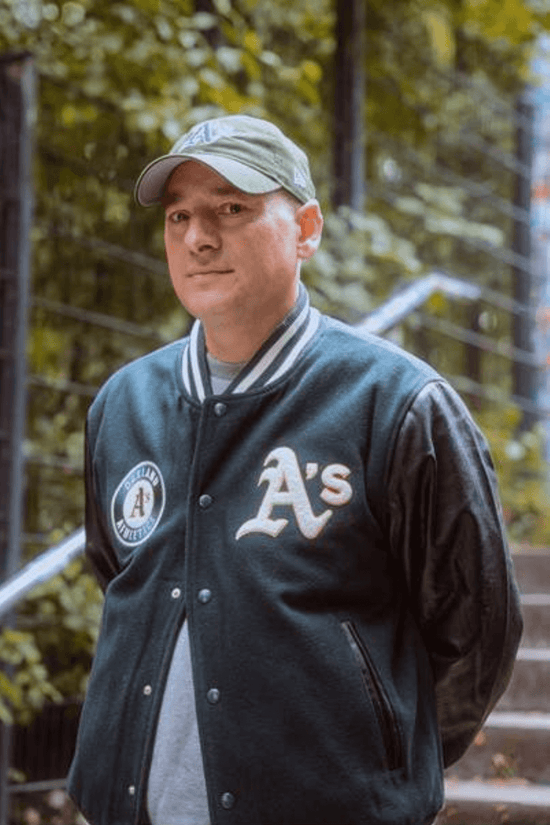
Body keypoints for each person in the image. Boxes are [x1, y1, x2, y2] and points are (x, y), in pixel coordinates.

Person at [68, 115, 523, 825]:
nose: (198, 236)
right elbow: (122, 576)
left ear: (306, 228)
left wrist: (382, 758)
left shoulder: (397, 404)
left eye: (232, 208)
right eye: (179, 214)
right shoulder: (123, 404)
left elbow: (479, 628)